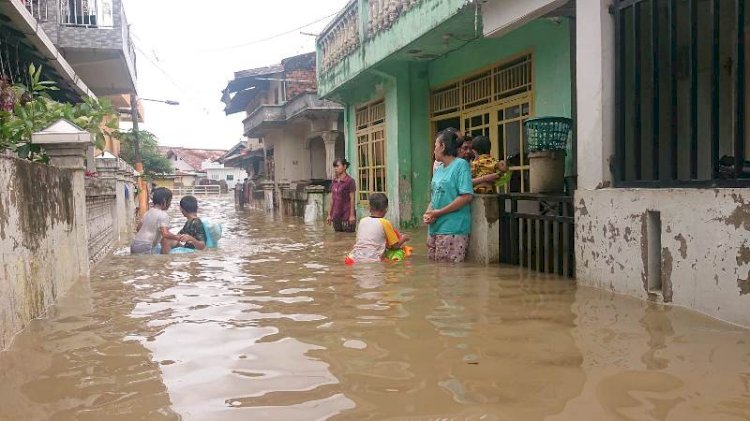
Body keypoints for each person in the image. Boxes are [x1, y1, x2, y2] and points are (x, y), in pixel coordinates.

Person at [423, 128, 474, 263]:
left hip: (453, 228)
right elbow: (435, 196)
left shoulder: (461, 165)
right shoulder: (439, 170)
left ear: (443, 146)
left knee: (450, 276)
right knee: (435, 274)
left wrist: (439, 212)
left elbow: (466, 196)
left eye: (435, 146)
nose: (434, 150)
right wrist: (428, 213)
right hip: (435, 228)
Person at [346, 193, 410, 263]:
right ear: (386, 210)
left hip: (355, 257)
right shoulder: (385, 223)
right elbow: (395, 246)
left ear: (369, 208)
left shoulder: (362, 221)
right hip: (373, 259)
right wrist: (404, 238)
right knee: (398, 253)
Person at [130, 187, 185, 255]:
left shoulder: (148, 212)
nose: (170, 204)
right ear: (164, 201)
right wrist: (177, 237)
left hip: (135, 243)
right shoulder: (163, 215)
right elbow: (165, 234)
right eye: (170, 201)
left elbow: (138, 228)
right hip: (146, 246)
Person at [327, 158, 357, 232]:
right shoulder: (334, 181)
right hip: (336, 215)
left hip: (347, 215)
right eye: (335, 167)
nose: (335, 169)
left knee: (348, 238)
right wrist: (329, 214)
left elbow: (352, 199)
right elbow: (332, 199)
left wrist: (352, 215)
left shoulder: (350, 181)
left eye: (337, 166)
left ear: (344, 166)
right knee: (338, 237)